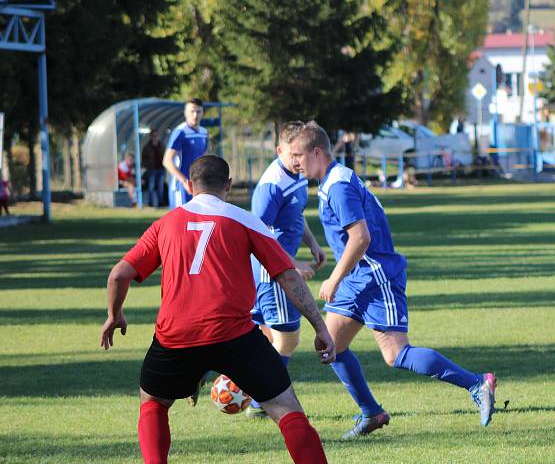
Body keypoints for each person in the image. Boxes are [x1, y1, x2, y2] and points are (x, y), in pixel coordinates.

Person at [99, 155, 334, 464]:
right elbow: (288, 276)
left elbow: (118, 274)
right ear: (228, 185)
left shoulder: (165, 224)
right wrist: (320, 326)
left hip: (175, 336)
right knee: (285, 408)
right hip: (234, 335)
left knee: (153, 402)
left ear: (188, 185)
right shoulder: (245, 219)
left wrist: (114, 315)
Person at [288, 121, 496, 439]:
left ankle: (476, 383)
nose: (295, 162)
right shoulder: (332, 180)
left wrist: (334, 277)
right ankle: (371, 413)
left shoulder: (339, 185)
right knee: (330, 345)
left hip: (375, 276)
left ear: (317, 152)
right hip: (357, 278)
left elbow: (361, 239)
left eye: (299, 155)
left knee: (396, 354)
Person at [246, 122, 327, 419]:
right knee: (288, 339)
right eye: (292, 154)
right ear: (279, 150)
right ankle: (260, 403)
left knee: (264, 338)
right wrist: (291, 264)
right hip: (273, 272)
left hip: (280, 268)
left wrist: (313, 244)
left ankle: (208, 375)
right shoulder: (271, 186)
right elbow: (258, 233)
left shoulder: (297, 176)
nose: (297, 159)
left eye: (300, 153)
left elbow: (295, 215)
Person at [163, 99, 208, 209]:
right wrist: (184, 181)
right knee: (179, 224)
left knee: (197, 221)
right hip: (181, 187)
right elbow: (167, 161)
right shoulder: (180, 132)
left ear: (203, 113)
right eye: (192, 111)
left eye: (198, 111)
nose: (195, 115)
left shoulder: (204, 132)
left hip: (198, 185)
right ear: (185, 113)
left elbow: (204, 158)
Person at [142, 130, 166, 207]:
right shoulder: (147, 147)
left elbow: (166, 155)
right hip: (151, 169)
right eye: (153, 136)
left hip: (161, 169)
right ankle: (151, 203)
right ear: (151, 136)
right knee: (151, 187)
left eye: (156, 136)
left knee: (160, 187)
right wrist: (148, 166)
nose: (155, 137)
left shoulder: (162, 145)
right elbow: (144, 158)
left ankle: (161, 203)